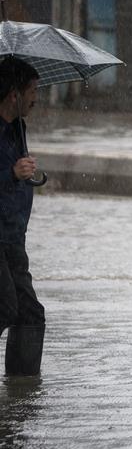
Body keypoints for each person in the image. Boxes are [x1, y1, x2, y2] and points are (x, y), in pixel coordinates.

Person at [0, 56, 45, 376]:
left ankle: (21, 392)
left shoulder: (18, 129)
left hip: (13, 234)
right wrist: (12, 173)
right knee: (5, 307)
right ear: (13, 94)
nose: (36, 97)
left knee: (30, 314)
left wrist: (25, 174)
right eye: (31, 90)